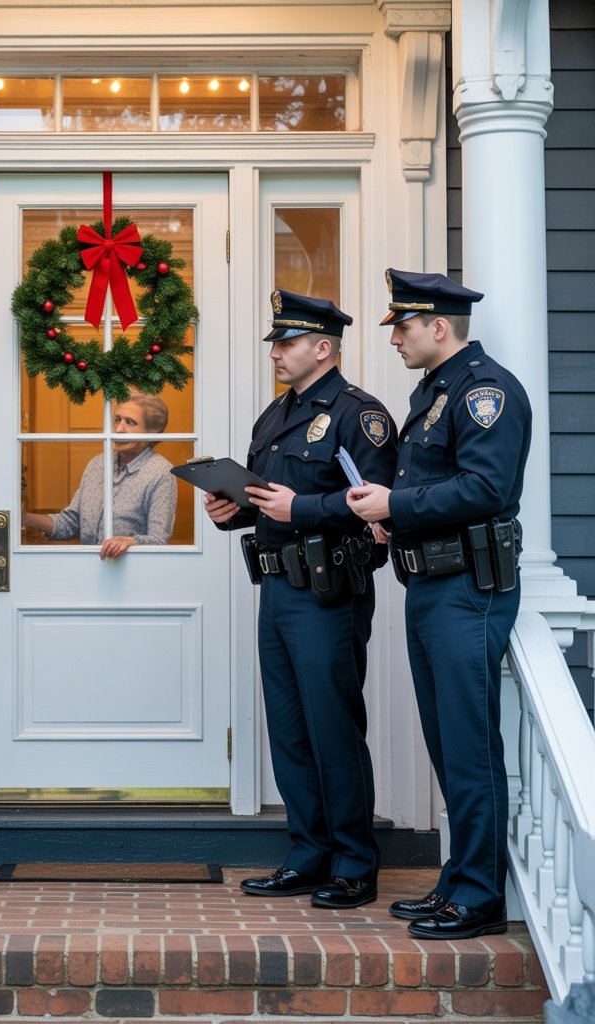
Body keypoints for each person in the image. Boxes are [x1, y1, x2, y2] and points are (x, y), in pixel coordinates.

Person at [346, 269, 531, 939]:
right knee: (448, 746)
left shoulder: (485, 393)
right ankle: (459, 879)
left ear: (439, 327)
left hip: (467, 591)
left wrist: (398, 503)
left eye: (402, 325)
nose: (394, 338)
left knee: (469, 746)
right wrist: (393, 517)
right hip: (430, 584)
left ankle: (480, 895)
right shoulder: (435, 394)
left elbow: (485, 488)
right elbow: (438, 489)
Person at [205, 290, 397, 909]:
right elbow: (271, 501)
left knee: (332, 726)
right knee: (289, 729)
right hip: (279, 587)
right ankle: (308, 854)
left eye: (287, 343)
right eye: (275, 344)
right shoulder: (274, 415)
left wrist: (302, 508)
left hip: (328, 591)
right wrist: (230, 510)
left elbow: (377, 510)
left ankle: (353, 864)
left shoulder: (357, 416)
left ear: (323, 348)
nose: (277, 354)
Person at [23, 388, 177, 559]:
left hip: (132, 574)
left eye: (130, 422)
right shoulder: (98, 464)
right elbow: (69, 523)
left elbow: (158, 540)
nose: (119, 429)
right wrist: (23, 517)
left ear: (151, 432)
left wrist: (131, 542)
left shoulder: (161, 473)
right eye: (117, 420)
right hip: (89, 570)